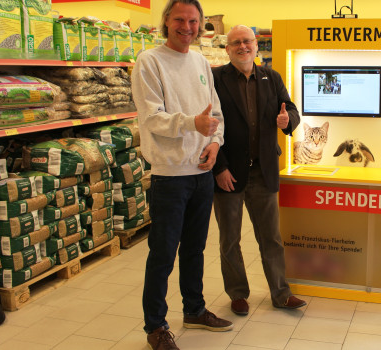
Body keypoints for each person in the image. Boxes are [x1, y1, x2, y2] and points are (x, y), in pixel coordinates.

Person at [131, 0, 233, 349]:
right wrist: (193, 123)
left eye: (193, 21)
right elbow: (152, 118)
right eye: (180, 19)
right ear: (166, 22)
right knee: (163, 253)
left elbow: (215, 112)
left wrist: (215, 144)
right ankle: (155, 326)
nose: (187, 27)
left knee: (195, 248)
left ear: (201, 24)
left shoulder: (201, 61)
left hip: (201, 172)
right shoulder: (150, 61)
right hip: (169, 175)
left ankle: (195, 309)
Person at [211, 25, 306, 316]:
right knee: (230, 239)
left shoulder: (271, 77)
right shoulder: (215, 79)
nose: (243, 46)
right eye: (236, 42)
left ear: (255, 45)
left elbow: (292, 110)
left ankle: (280, 292)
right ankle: (238, 294)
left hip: (263, 171)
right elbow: (208, 126)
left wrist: (286, 120)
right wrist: (220, 168)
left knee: (271, 238)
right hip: (229, 173)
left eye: (247, 41)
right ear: (227, 49)